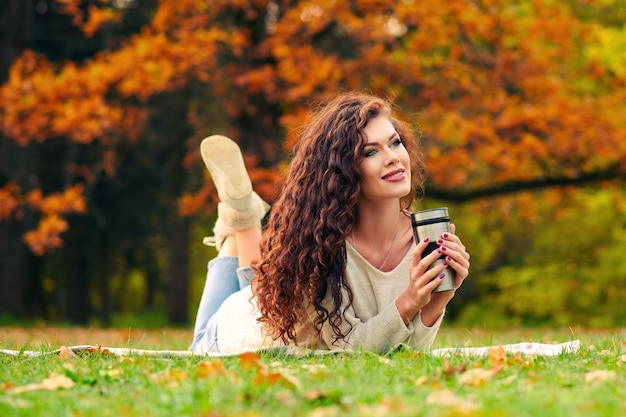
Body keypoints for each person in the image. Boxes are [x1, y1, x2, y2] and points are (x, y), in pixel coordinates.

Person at [189, 91, 470, 355]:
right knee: (204, 339)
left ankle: (241, 214)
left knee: (259, 282)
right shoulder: (318, 248)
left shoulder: (423, 241)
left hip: (270, 300)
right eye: (371, 152)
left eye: (395, 143)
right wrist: (409, 300)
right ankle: (241, 220)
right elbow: (347, 349)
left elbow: (408, 353)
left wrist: (438, 299)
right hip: (240, 330)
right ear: (343, 171)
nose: (393, 158)